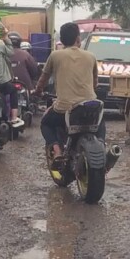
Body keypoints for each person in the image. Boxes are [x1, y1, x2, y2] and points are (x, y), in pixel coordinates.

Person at [33, 22, 104, 160]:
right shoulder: (91, 56)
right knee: (100, 122)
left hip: (65, 109)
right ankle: (102, 146)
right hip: (90, 105)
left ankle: (57, 150)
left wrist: (37, 91)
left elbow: (43, 79)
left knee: (46, 123)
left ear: (62, 40)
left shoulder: (55, 56)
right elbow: (95, 84)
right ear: (78, 39)